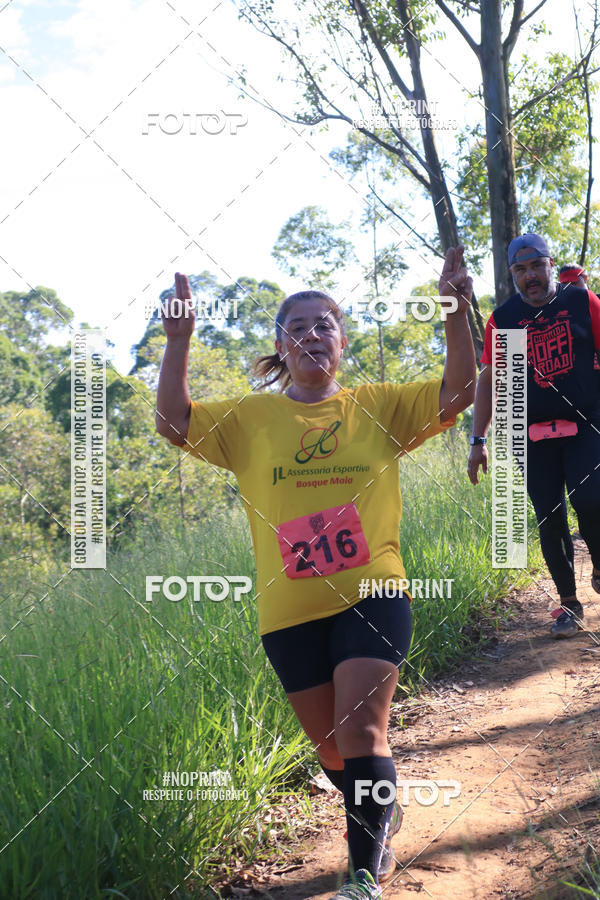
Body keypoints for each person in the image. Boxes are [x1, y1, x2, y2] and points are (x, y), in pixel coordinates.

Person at [156, 249, 475, 899]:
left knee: (361, 730)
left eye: (323, 324)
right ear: (281, 345)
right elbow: (173, 423)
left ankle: (362, 876)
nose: (311, 334)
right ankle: (379, 806)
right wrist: (179, 342)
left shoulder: (379, 407)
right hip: (289, 609)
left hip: (372, 590)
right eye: (297, 326)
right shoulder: (250, 419)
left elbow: (459, 394)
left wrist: (455, 316)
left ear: (342, 340)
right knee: (333, 750)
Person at [468, 233, 600, 639]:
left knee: (590, 496)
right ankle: (570, 604)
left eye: (536, 266)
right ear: (512, 274)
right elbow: (489, 381)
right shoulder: (503, 320)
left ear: (550, 264)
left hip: (587, 423)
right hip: (531, 433)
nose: (530, 277)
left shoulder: (581, 302)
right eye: (520, 270)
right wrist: (478, 440)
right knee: (549, 518)